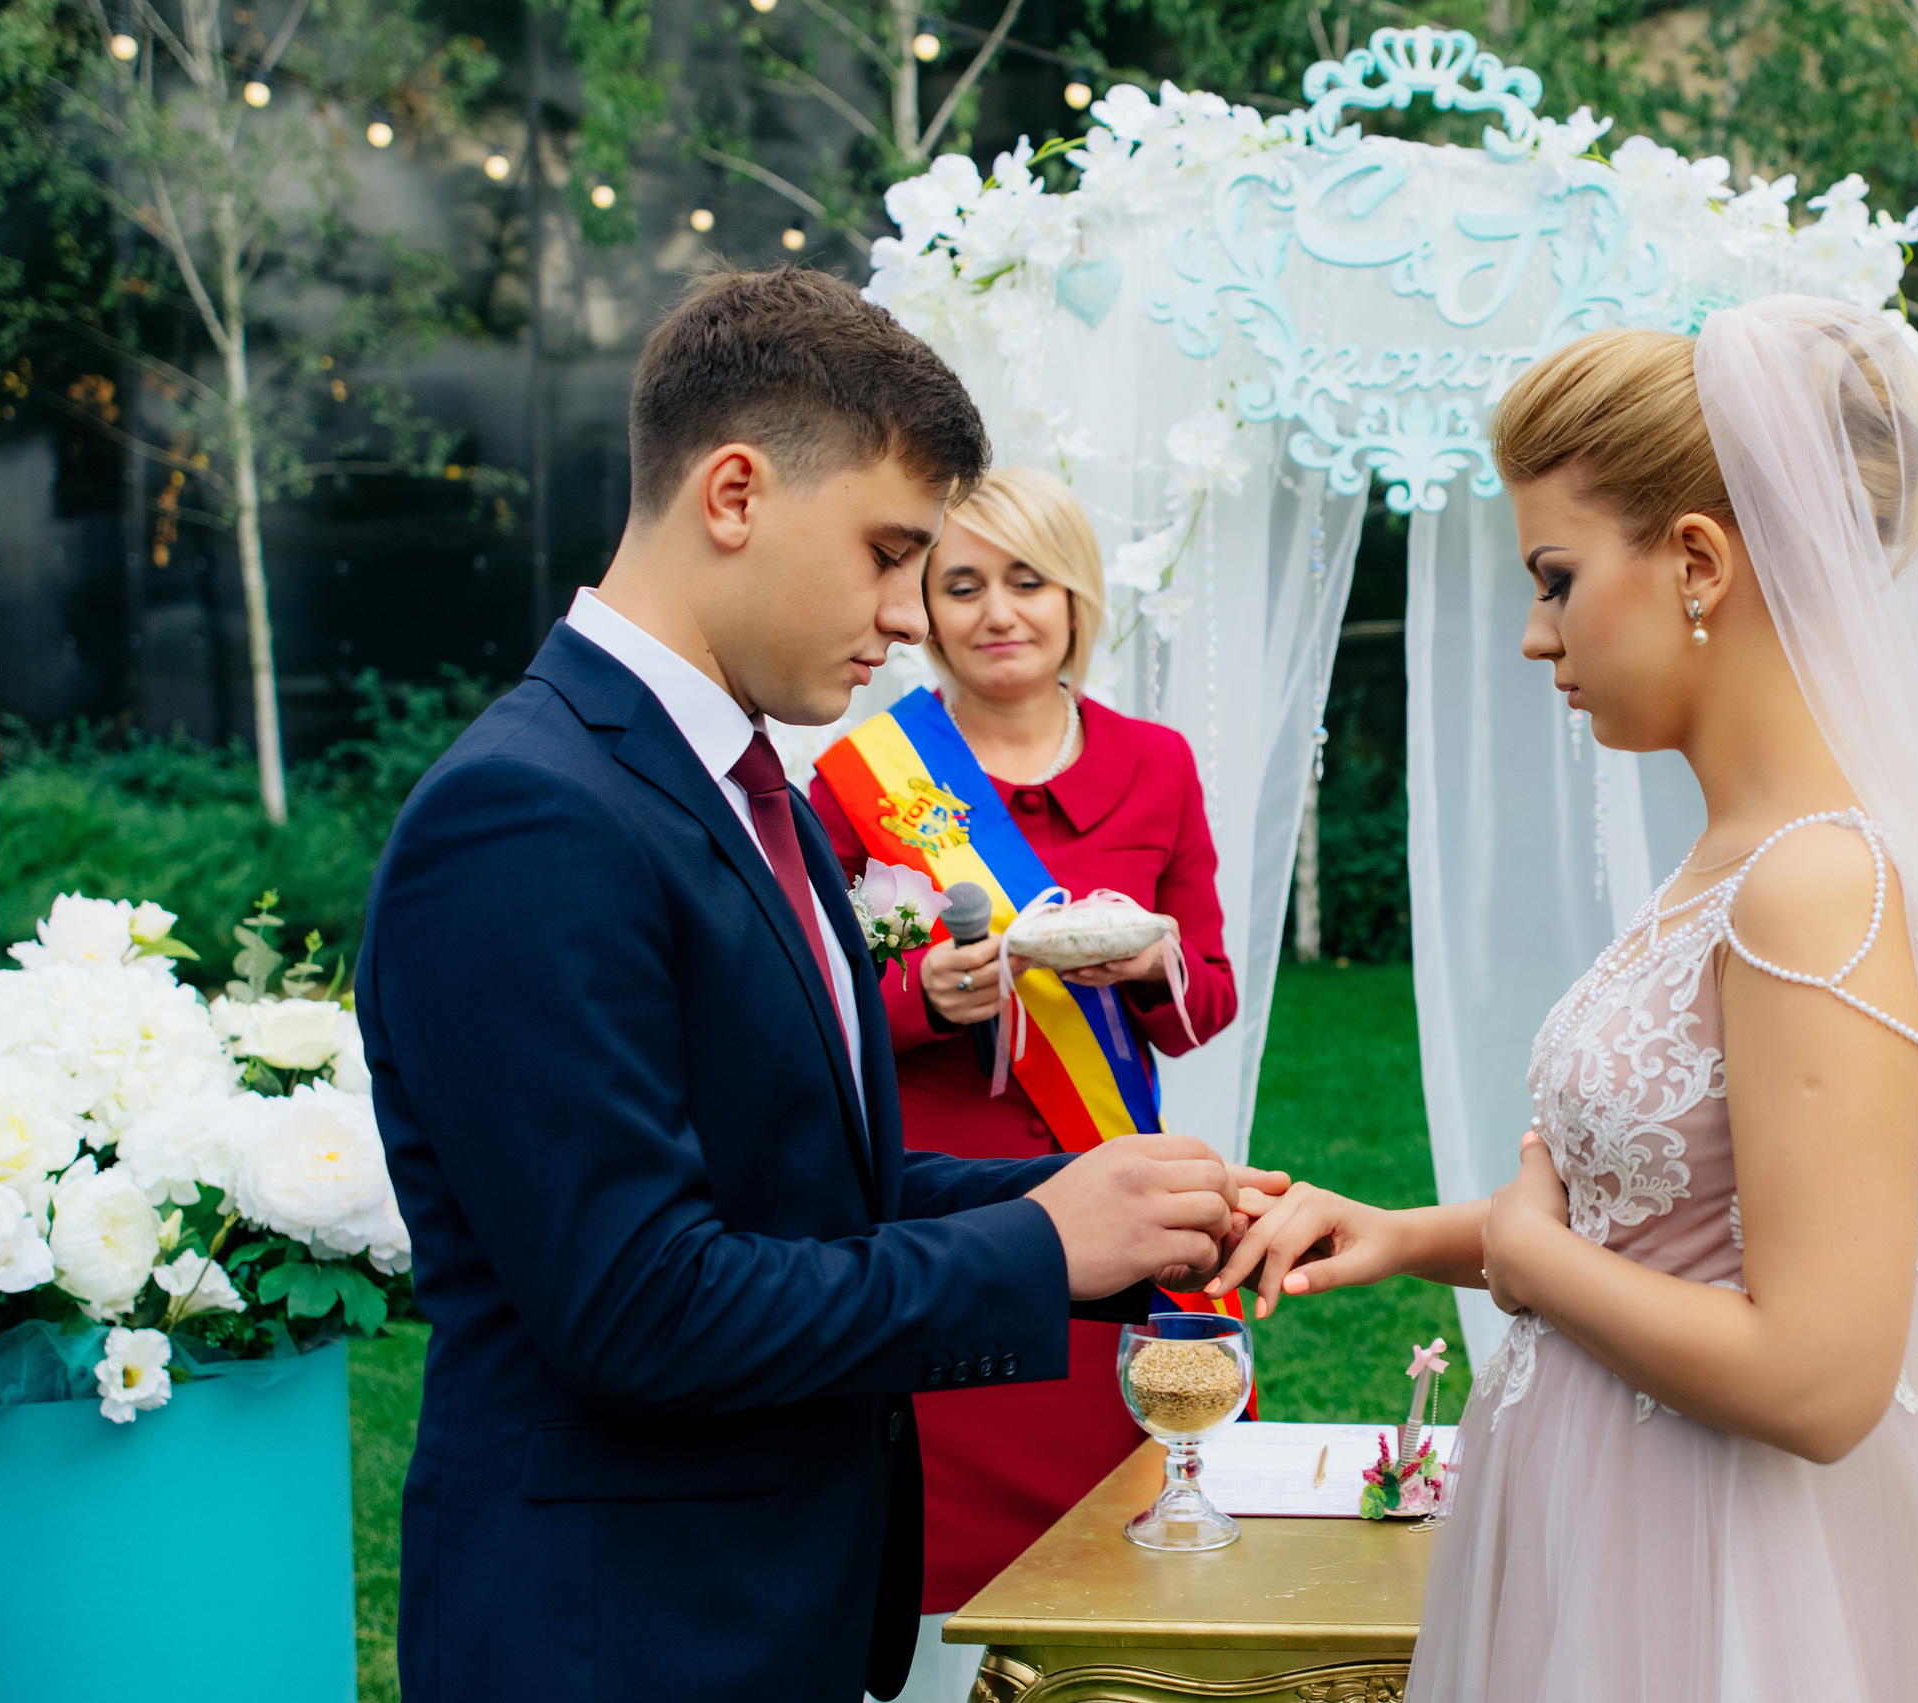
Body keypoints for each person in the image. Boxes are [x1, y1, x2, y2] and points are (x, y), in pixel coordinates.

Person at [1210, 302, 1918, 1701]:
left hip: (1716, 1569)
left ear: (1697, 559)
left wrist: (1528, 1259)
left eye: (1557, 577)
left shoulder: (1816, 884)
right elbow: (1672, 1216)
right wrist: (1401, 1234)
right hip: (1610, 1512)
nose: (1533, 634)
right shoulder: (1733, 854)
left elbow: (1820, 1378)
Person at [356, 268, 1282, 1703]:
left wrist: (1111, 1205)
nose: (916, 616)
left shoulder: (737, 781)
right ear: (734, 492)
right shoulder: (528, 813)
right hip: (622, 1633)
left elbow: (797, 1182)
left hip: (764, 1602)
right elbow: (642, 1303)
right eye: (892, 550)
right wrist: (1039, 1246)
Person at [807, 467, 1238, 1693]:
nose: (999, 611)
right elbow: (802, 1007)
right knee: (942, 1576)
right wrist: (917, 1002)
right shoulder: (859, 775)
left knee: (1122, 1552)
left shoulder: (1157, 765)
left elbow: (1207, 1001)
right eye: (961, 583)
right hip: (943, 1212)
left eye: (1027, 580)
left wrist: (1154, 960)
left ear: (1074, 596)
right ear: (924, 608)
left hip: (1114, 1188)